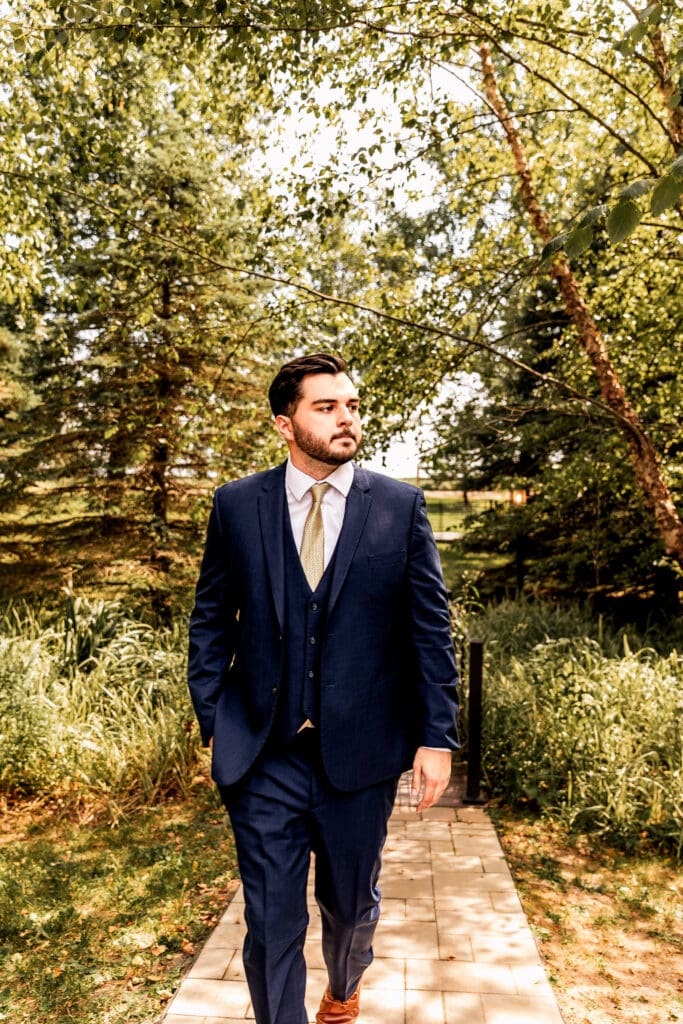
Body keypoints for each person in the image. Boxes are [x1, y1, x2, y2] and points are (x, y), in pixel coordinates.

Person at [188, 352, 459, 1024]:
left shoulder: (397, 506)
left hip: (360, 756)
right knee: (272, 919)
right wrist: (214, 716)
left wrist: (435, 737)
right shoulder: (235, 506)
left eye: (352, 406)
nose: (346, 419)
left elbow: (429, 629)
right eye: (326, 406)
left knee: (350, 907)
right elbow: (210, 619)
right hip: (261, 752)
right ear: (285, 424)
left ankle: (344, 986)